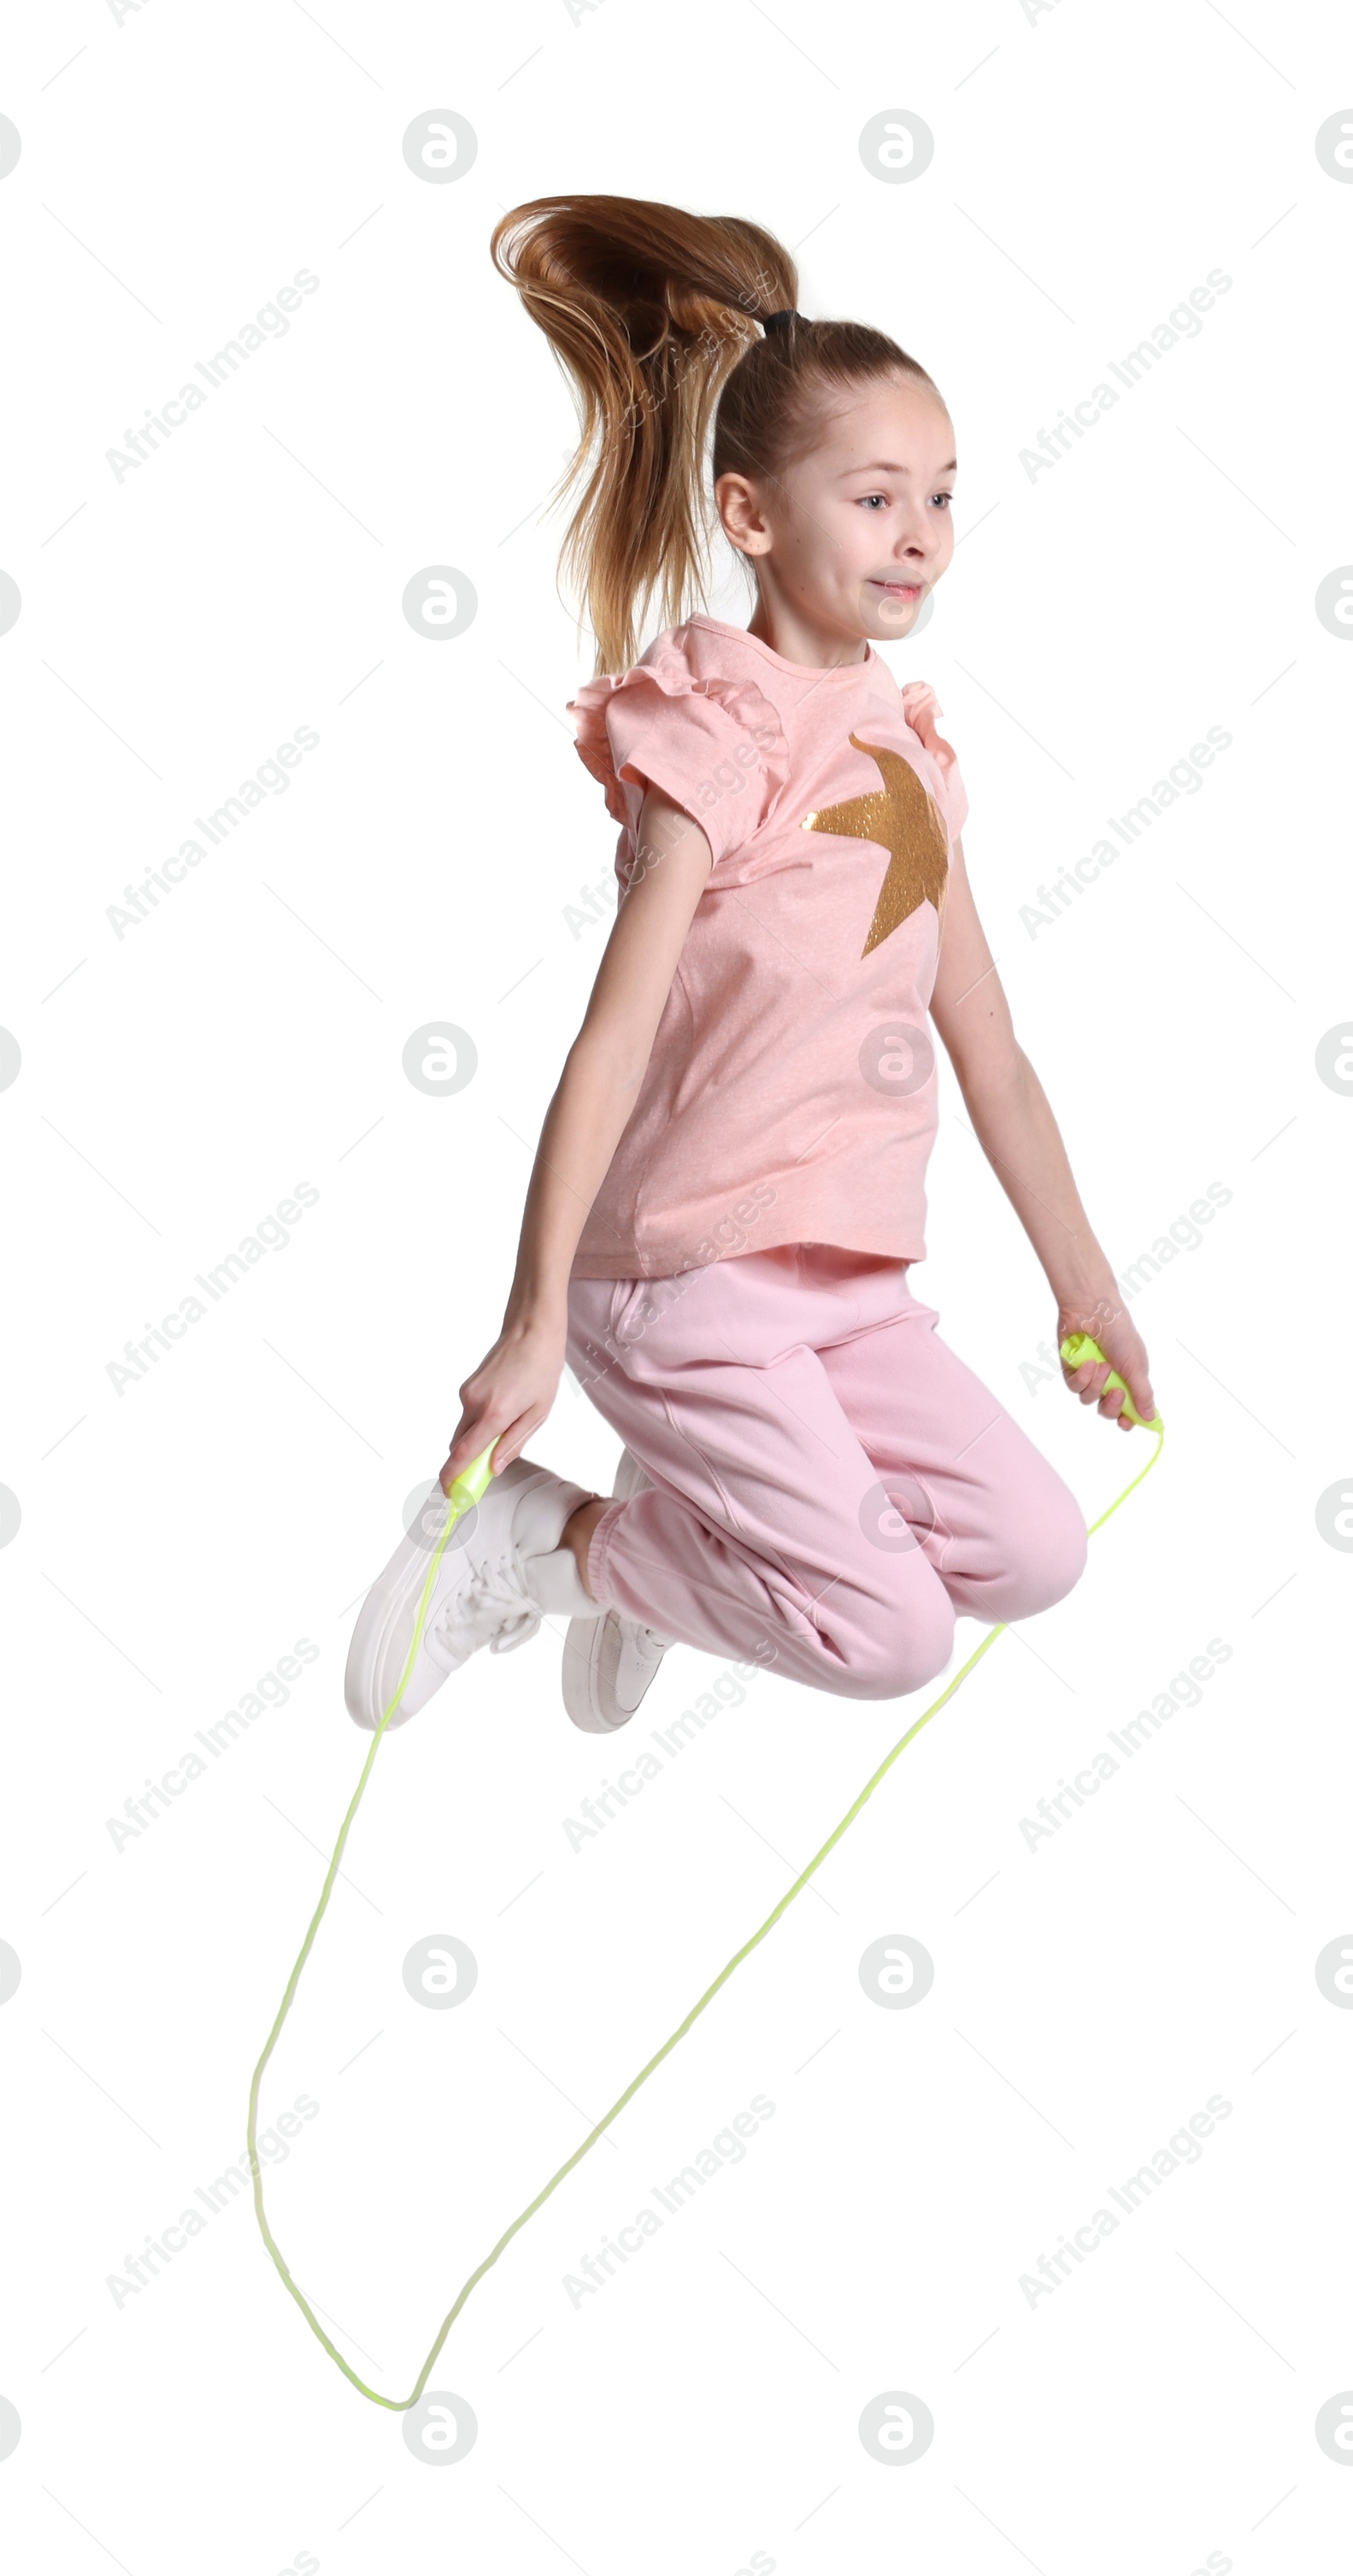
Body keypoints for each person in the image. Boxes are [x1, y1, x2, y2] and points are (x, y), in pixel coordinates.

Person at [344, 193, 1156, 1743]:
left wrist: (1089, 1289)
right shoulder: (711, 733)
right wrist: (529, 1322)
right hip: (684, 1282)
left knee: (1033, 1552)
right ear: (751, 514)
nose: (919, 531)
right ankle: (550, 1541)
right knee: (887, 1632)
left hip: (847, 1291)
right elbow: (609, 1038)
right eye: (873, 496)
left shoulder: (908, 747)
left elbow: (991, 1050)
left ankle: (692, 1527)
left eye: (940, 494)